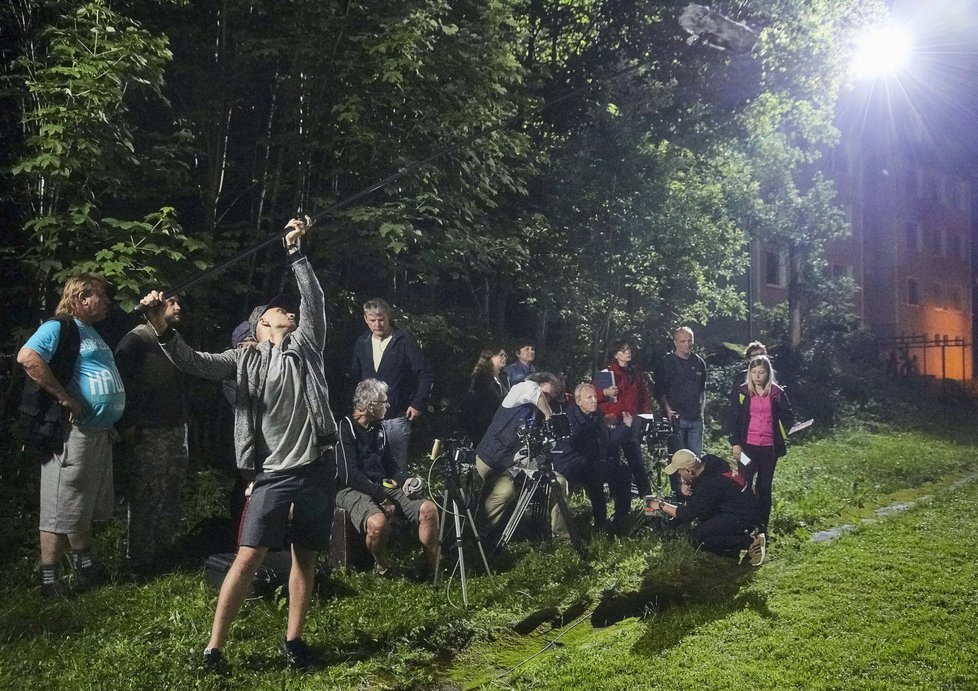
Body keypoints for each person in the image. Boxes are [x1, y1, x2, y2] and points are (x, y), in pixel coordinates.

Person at [141, 216, 337, 672]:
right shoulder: (243, 360)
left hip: (317, 466)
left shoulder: (306, 346)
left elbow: (315, 301)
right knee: (248, 555)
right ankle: (214, 649)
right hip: (273, 473)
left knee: (304, 555)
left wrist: (296, 252)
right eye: (281, 310)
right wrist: (161, 328)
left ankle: (294, 641)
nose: (291, 312)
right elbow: (192, 362)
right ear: (263, 322)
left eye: (291, 310)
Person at [17, 274, 126, 597]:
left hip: (98, 432)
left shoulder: (92, 331)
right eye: (100, 296)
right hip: (70, 433)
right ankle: (50, 579)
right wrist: (63, 397)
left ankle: (85, 564)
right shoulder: (59, 327)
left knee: (82, 501)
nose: (106, 302)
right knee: (60, 502)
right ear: (80, 298)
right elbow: (27, 357)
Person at [114, 294, 188, 576]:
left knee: (171, 489)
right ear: (154, 308)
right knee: (146, 493)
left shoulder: (172, 340)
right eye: (171, 302)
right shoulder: (136, 340)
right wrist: (127, 423)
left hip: (175, 428)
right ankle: (140, 560)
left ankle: (163, 551)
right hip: (148, 430)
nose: (178, 307)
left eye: (178, 302)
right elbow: (122, 382)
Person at [335, 379, 438, 577]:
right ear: (370, 406)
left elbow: (390, 465)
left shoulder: (378, 428)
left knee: (428, 510)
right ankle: (383, 565)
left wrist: (407, 479)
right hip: (351, 488)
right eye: (384, 402)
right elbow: (349, 474)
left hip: (381, 485)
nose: (388, 406)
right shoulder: (345, 428)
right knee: (378, 523)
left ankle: (430, 570)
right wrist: (381, 497)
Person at [474, 372, 569, 541]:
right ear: (540, 382)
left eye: (550, 398)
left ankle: (561, 537)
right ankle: (479, 532)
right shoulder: (520, 389)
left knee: (559, 483)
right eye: (546, 395)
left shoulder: (536, 414)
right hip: (491, 460)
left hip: (515, 464)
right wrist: (549, 416)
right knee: (505, 491)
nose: (547, 400)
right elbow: (535, 392)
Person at [351, 298, 433, 473]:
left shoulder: (404, 341)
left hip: (395, 416)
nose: (377, 324)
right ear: (366, 319)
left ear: (388, 317)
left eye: (381, 319)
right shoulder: (362, 342)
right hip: (368, 418)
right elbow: (355, 377)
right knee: (368, 466)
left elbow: (424, 373)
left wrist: (417, 403)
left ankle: (400, 500)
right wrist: (357, 408)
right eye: (372, 320)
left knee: (397, 469)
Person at [647, 449, 766, 565]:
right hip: (745, 507)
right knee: (704, 525)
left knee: (697, 540)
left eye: (680, 472)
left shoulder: (710, 484)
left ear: (688, 470)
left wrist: (661, 505)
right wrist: (686, 483)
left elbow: (688, 514)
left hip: (741, 516)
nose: (678, 474)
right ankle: (738, 541)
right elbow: (701, 498)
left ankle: (750, 542)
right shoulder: (711, 461)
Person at [727, 354, 795, 531]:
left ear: (768, 373)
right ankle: (744, 522)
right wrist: (735, 443)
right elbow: (732, 418)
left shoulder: (777, 393)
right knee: (744, 482)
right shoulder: (742, 392)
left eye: (761, 372)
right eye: (754, 372)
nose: (757, 376)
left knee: (764, 486)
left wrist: (795, 428)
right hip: (746, 447)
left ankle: (762, 525)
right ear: (749, 373)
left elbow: (788, 417)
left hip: (768, 448)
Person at [551, 383, 618, 532]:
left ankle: (608, 522)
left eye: (595, 396)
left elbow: (602, 442)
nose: (594, 400)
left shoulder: (597, 415)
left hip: (588, 462)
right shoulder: (569, 417)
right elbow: (575, 441)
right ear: (578, 401)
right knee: (594, 473)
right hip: (568, 463)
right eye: (589, 397)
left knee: (618, 472)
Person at [594, 340, 652, 509]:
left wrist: (643, 418)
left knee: (635, 458)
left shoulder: (635, 374)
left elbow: (643, 398)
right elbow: (596, 398)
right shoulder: (607, 374)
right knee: (613, 459)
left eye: (628, 349)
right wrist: (605, 394)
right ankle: (616, 494)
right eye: (623, 350)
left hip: (631, 422)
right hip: (613, 423)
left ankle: (645, 495)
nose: (628, 352)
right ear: (616, 354)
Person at [654, 326, 707, 494]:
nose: (687, 344)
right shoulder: (667, 362)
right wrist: (668, 411)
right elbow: (660, 391)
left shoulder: (699, 362)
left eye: (689, 341)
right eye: (683, 341)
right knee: (677, 460)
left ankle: (695, 495)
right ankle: (678, 495)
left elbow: (702, 390)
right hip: (676, 420)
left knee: (695, 461)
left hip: (695, 419)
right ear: (675, 342)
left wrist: (701, 412)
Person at [461, 345, 510, 443]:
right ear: (490, 357)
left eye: (505, 356)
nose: (504, 358)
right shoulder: (483, 377)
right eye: (500, 355)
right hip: (483, 424)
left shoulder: (503, 379)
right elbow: (492, 399)